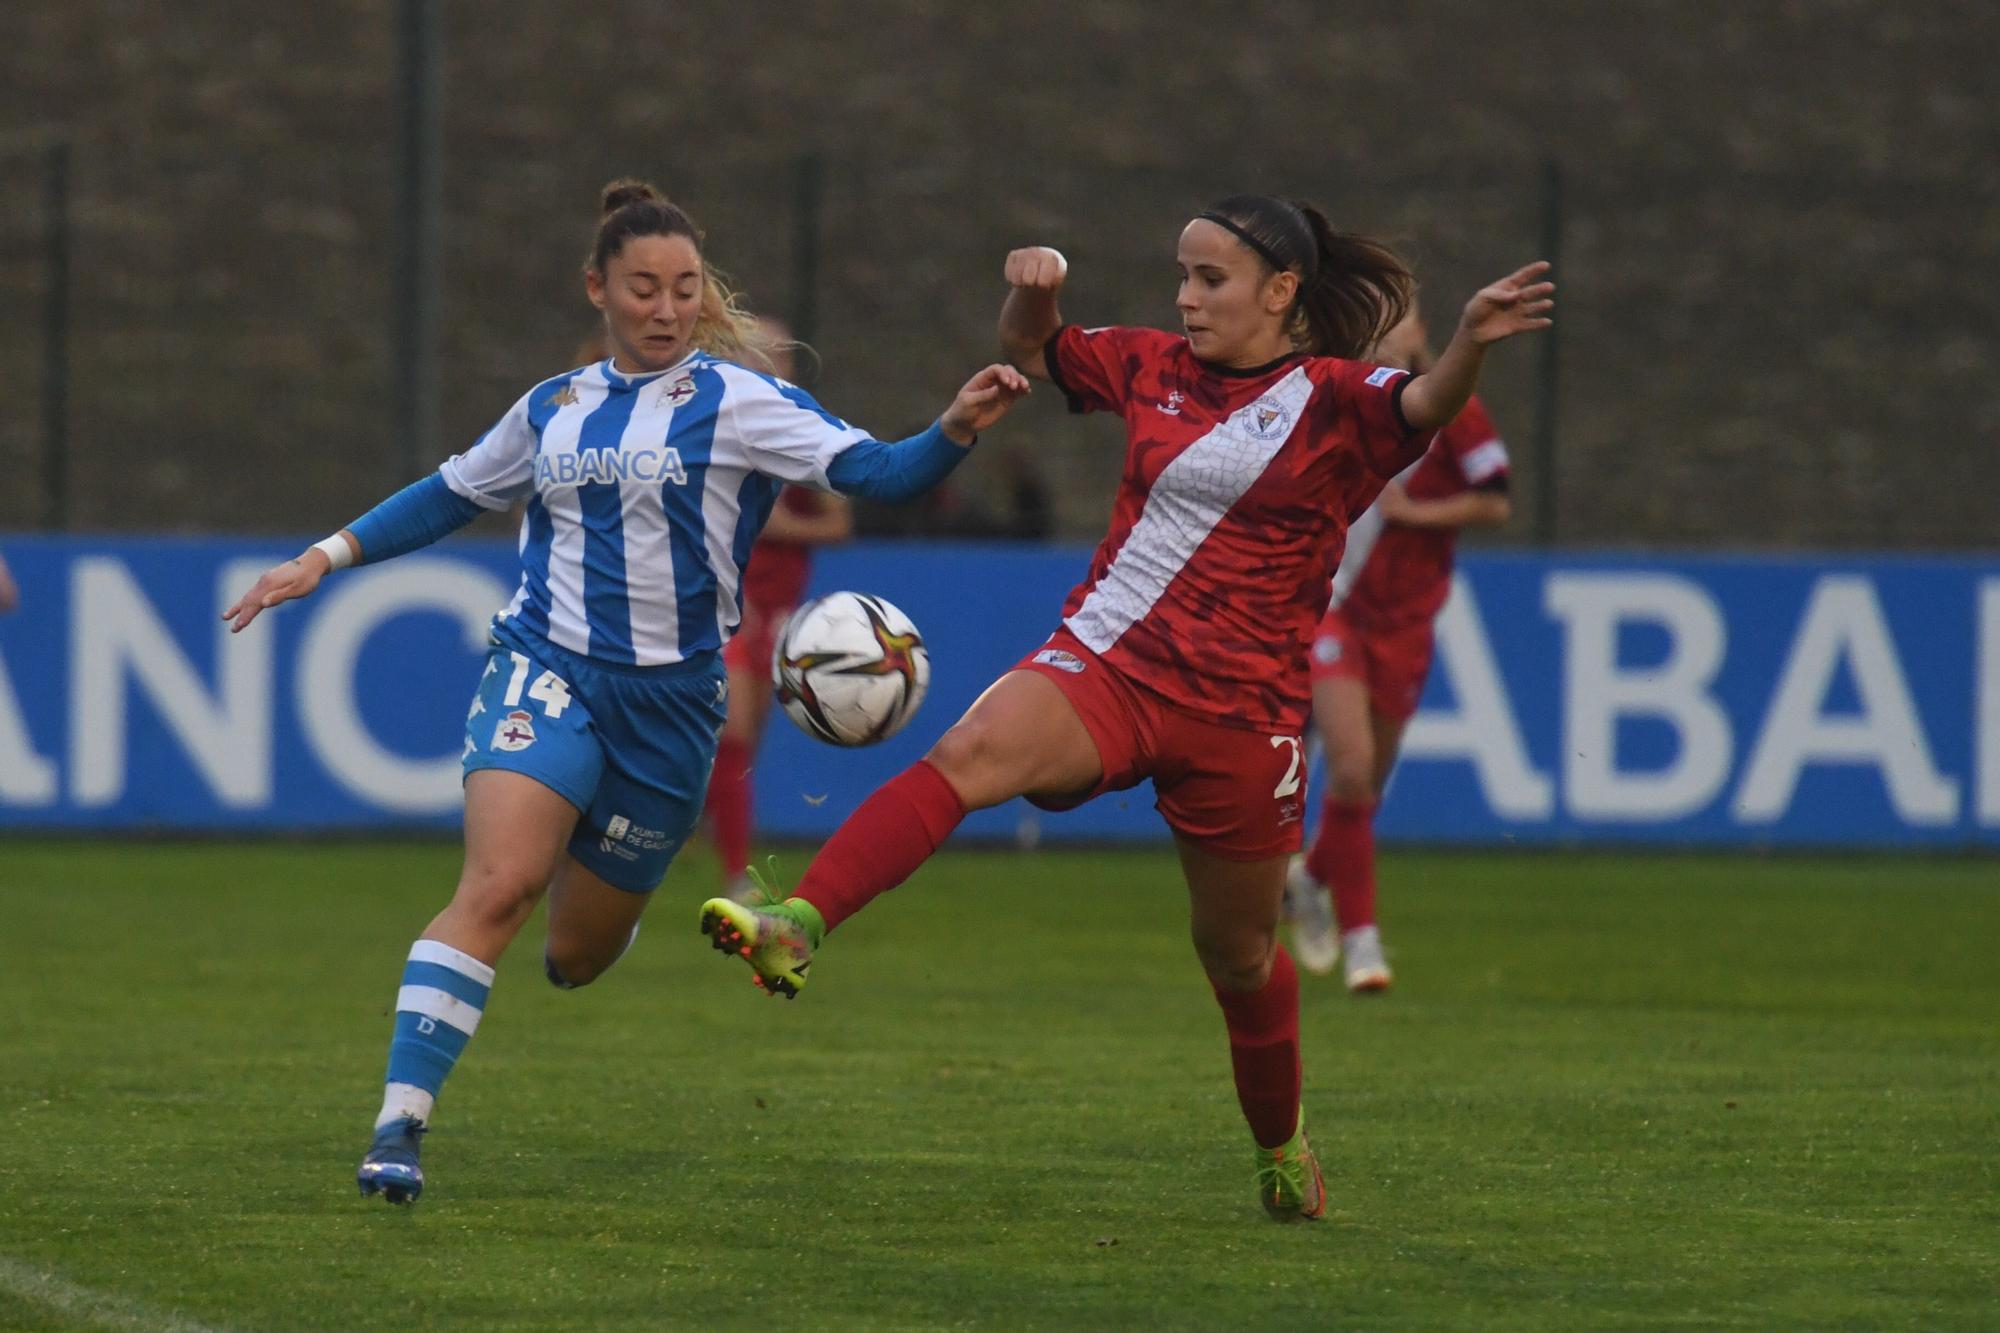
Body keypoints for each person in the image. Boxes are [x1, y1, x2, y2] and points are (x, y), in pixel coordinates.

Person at [698, 194, 1552, 1222]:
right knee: (969, 751)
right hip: (1107, 664)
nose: (1185, 298)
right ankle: (796, 921)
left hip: (1243, 718)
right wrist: (1031, 295)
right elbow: (1038, 348)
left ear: (1281, 291)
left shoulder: (1334, 397)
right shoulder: (1150, 365)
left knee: (1237, 958)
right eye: (1181, 277)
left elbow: (1424, 407)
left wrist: (1463, 342)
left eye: (1209, 279)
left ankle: (1280, 1146)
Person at [221, 178, 1031, 1205]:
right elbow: (450, 492)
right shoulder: (550, 409)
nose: (664, 307)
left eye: (683, 288)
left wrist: (954, 427)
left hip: (674, 709)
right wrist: (323, 557)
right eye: (642, 287)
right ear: (596, 287)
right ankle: (398, 1126)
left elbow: (877, 473)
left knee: (576, 956)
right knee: (500, 884)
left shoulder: (740, 401)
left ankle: (607, 900)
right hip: (545, 667)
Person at [1284, 309, 1513, 992]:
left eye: (1401, 317)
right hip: (1337, 611)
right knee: (1350, 768)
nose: (1388, 331)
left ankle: (1311, 879)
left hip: (1407, 623)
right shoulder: (1341, 396)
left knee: (1365, 785)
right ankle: (1363, 944)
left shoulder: (1454, 409)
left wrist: (1417, 514)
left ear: (1420, 332)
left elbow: (1496, 499)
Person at [703, 318, 854, 900]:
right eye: (760, 355)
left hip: (780, 610)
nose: (773, 365)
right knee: (733, 732)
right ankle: (737, 876)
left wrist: (774, 523)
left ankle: (700, 826)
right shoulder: (715, 430)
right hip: (723, 603)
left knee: (743, 748)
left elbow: (839, 522)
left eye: (782, 358)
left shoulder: (799, 434)